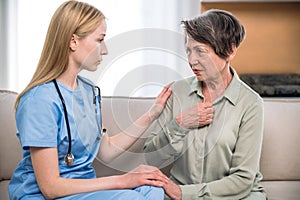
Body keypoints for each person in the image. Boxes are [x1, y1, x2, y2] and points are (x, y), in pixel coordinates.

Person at [8, 1, 172, 199]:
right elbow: (50, 188)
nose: (105, 50)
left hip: (83, 190)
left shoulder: (89, 91)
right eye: (100, 39)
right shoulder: (38, 101)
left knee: (153, 189)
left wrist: (152, 114)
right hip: (41, 194)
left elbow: (106, 150)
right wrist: (124, 180)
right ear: (73, 41)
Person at [144, 9, 267, 200]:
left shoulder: (250, 103)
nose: (192, 61)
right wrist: (180, 124)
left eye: (200, 51)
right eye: (188, 51)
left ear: (230, 50)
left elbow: (243, 179)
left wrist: (184, 193)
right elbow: (152, 157)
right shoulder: (177, 92)